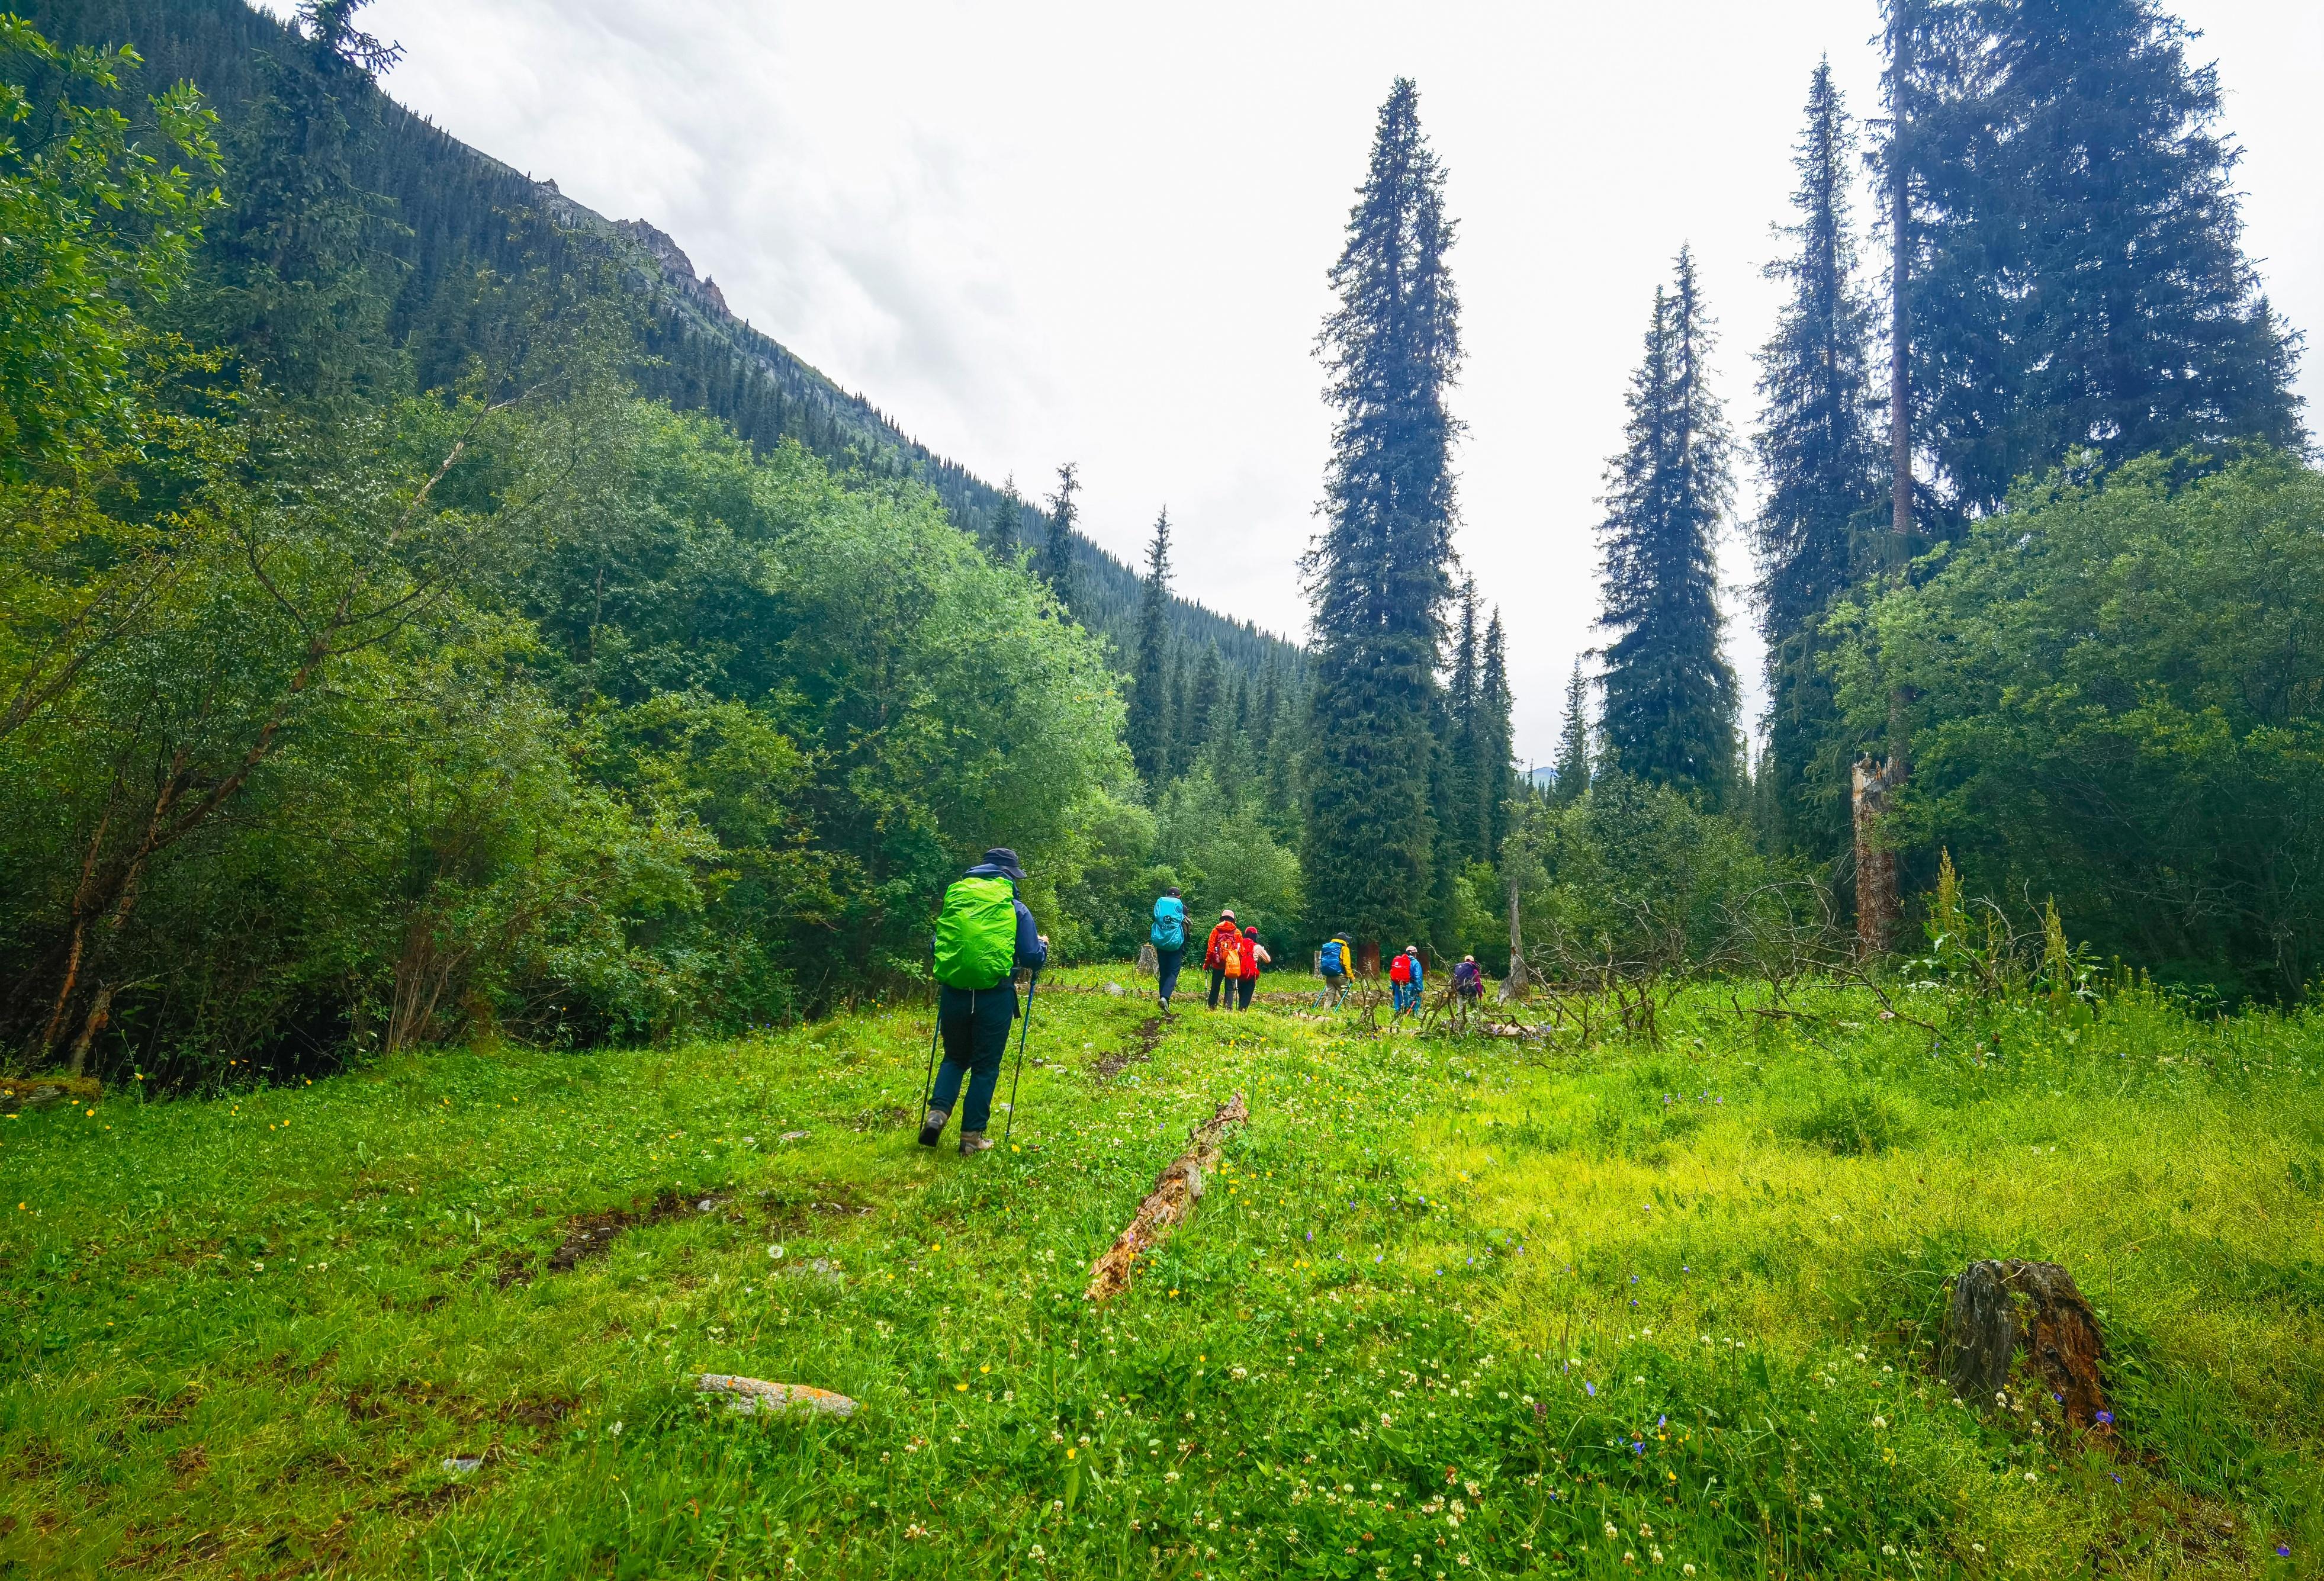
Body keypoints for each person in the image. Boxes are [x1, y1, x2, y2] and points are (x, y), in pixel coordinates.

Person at [921, 848, 1047, 1156]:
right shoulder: (1015, 909)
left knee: (954, 1058)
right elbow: (1031, 957)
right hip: (995, 994)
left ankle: (937, 1115)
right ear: (1009, 876)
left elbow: (936, 944)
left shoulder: (958, 899)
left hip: (955, 992)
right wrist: (1043, 947)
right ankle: (971, 1137)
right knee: (985, 1066)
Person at [1150, 886, 1187, 1012]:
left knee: (1164, 973)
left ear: (1166, 895)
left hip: (1161, 943)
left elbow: (1154, 918)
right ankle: (1165, 998)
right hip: (1176, 945)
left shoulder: (1160, 905)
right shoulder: (1182, 908)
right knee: (1173, 973)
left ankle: (1163, 1000)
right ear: (1179, 897)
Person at [1203, 908, 1243, 1010]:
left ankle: (1212, 1007)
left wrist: (1207, 964)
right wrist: (1239, 965)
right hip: (1232, 965)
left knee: (1215, 987)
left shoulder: (1215, 931)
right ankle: (1228, 1008)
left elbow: (1210, 950)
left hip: (1217, 964)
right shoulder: (1237, 933)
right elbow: (1241, 951)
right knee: (1230, 988)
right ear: (1233, 920)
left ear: (1222, 919)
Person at [1236, 927, 1271, 1010]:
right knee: (1247, 995)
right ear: (1255, 936)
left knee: (1241, 994)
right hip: (1251, 975)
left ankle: (1240, 1009)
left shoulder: (1238, 945)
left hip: (1239, 974)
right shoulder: (1257, 947)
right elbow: (1268, 960)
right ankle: (1242, 1010)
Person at [1318, 933, 1352, 1007]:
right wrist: (1351, 977)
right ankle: (1350, 1013)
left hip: (1329, 976)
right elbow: (1346, 964)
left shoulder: (1329, 947)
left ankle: (1325, 1013)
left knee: (1329, 998)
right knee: (1346, 997)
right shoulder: (1344, 948)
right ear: (1344, 940)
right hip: (1340, 976)